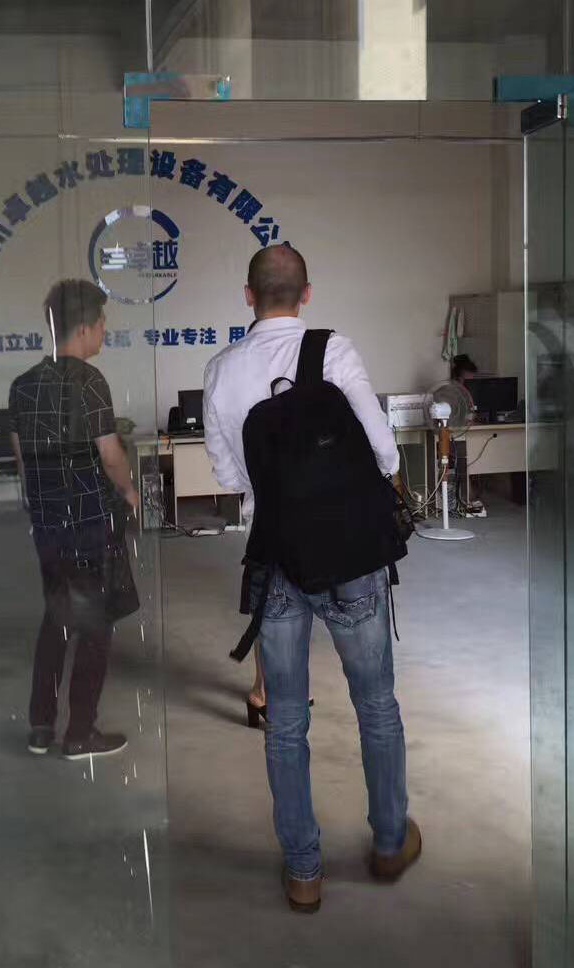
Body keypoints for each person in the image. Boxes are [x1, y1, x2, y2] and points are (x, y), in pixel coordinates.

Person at [203, 244, 421, 913]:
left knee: (287, 721)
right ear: (306, 293)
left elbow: (229, 476)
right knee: (375, 704)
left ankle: (304, 871)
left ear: (248, 296)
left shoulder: (222, 370)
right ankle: (390, 841)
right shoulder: (333, 351)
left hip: (277, 559)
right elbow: (383, 448)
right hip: (351, 556)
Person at [9, 279, 140, 761]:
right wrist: (128, 490)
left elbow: (23, 460)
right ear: (84, 327)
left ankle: (41, 726)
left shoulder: (22, 385)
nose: (104, 331)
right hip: (88, 522)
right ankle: (81, 733)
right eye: (102, 323)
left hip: (47, 525)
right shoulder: (89, 382)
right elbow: (110, 455)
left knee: (56, 616)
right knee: (95, 625)